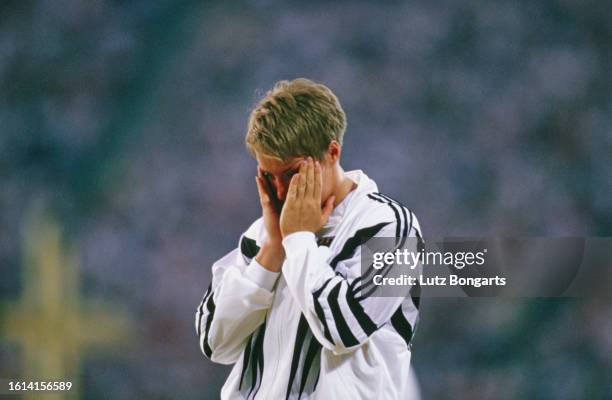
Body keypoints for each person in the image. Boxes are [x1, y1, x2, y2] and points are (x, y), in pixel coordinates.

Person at [195, 78, 423, 399]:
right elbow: (214, 341)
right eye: (267, 176)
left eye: (291, 174)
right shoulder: (261, 233)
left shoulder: (392, 228)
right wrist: (272, 252)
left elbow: (344, 329)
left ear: (332, 152)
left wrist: (299, 240)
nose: (279, 192)